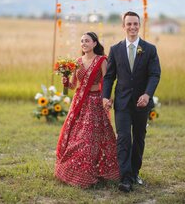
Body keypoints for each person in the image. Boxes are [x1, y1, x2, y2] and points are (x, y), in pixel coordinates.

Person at [103, 11, 161, 193]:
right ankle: (125, 178)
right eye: (129, 24)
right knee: (124, 138)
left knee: (139, 138)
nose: (132, 27)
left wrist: (147, 94)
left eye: (135, 24)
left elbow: (154, 74)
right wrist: (106, 96)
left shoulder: (150, 49)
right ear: (123, 26)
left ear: (140, 25)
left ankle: (135, 172)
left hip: (141, 103)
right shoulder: (115, 49)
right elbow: (109, 76)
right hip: (121, 103)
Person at [55, 32, 119, 188]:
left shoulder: (102, 60)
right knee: (75, 137)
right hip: (79, 102)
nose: (84, 43)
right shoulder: (77, 62)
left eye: (87, 41)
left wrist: (107, 99)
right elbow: (73, 85)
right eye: (82, 41)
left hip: (96, 102)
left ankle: (94, 172)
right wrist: (65, 82)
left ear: (95, 43)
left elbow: (107, 81)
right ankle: (75, 171)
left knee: (89, 139)